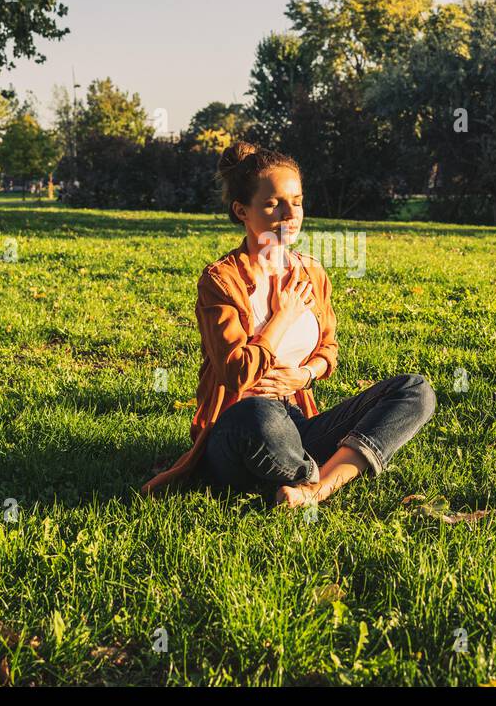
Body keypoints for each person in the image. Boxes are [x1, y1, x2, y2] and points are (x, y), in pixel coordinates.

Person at [141, 141, 436, 507]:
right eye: (273, 203)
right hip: (238, 429)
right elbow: (235, 374)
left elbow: (328, 349)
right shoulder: (221, 281)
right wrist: (282, 317)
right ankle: (310, 472)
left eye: (296, 201)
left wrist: (306, 375)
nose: (290, 213)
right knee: (257, 414)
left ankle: (318, 487)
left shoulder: (311, 271)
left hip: (296, 420)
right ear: (242, 210)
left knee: (414, 391)